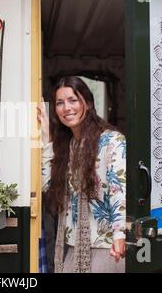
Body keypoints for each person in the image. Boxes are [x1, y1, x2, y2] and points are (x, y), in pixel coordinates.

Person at [37, 76, 126, 273]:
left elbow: (118, 189)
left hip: (105, 245)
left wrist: (119, 234)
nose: (66, 108)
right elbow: (49, 187)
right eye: (60, 103)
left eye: (72, 100)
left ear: (88, 102)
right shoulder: (70, 145)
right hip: (73, 245)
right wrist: (45, 137)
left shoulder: (111, 140)